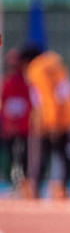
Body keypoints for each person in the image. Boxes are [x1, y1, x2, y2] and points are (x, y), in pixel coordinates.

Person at [22, 44, 70, 199]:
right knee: (63, 156)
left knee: (40, 155)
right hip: (66, 118)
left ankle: (35, 189)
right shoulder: (58, 66)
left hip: (48, 121)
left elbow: (47, 96)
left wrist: (52, 123)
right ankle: (64, 188)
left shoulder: (37, 68)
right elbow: (66, 94)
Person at [2, 48, 31, 193]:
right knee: (11, 154)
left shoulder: (26, 81)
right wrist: (7, 124)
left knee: (24, 153)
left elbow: (29, 103)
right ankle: (11, 181)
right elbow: (4, 104)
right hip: (10, 126)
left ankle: (25, 182)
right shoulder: (6, 82)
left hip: (24, 126)